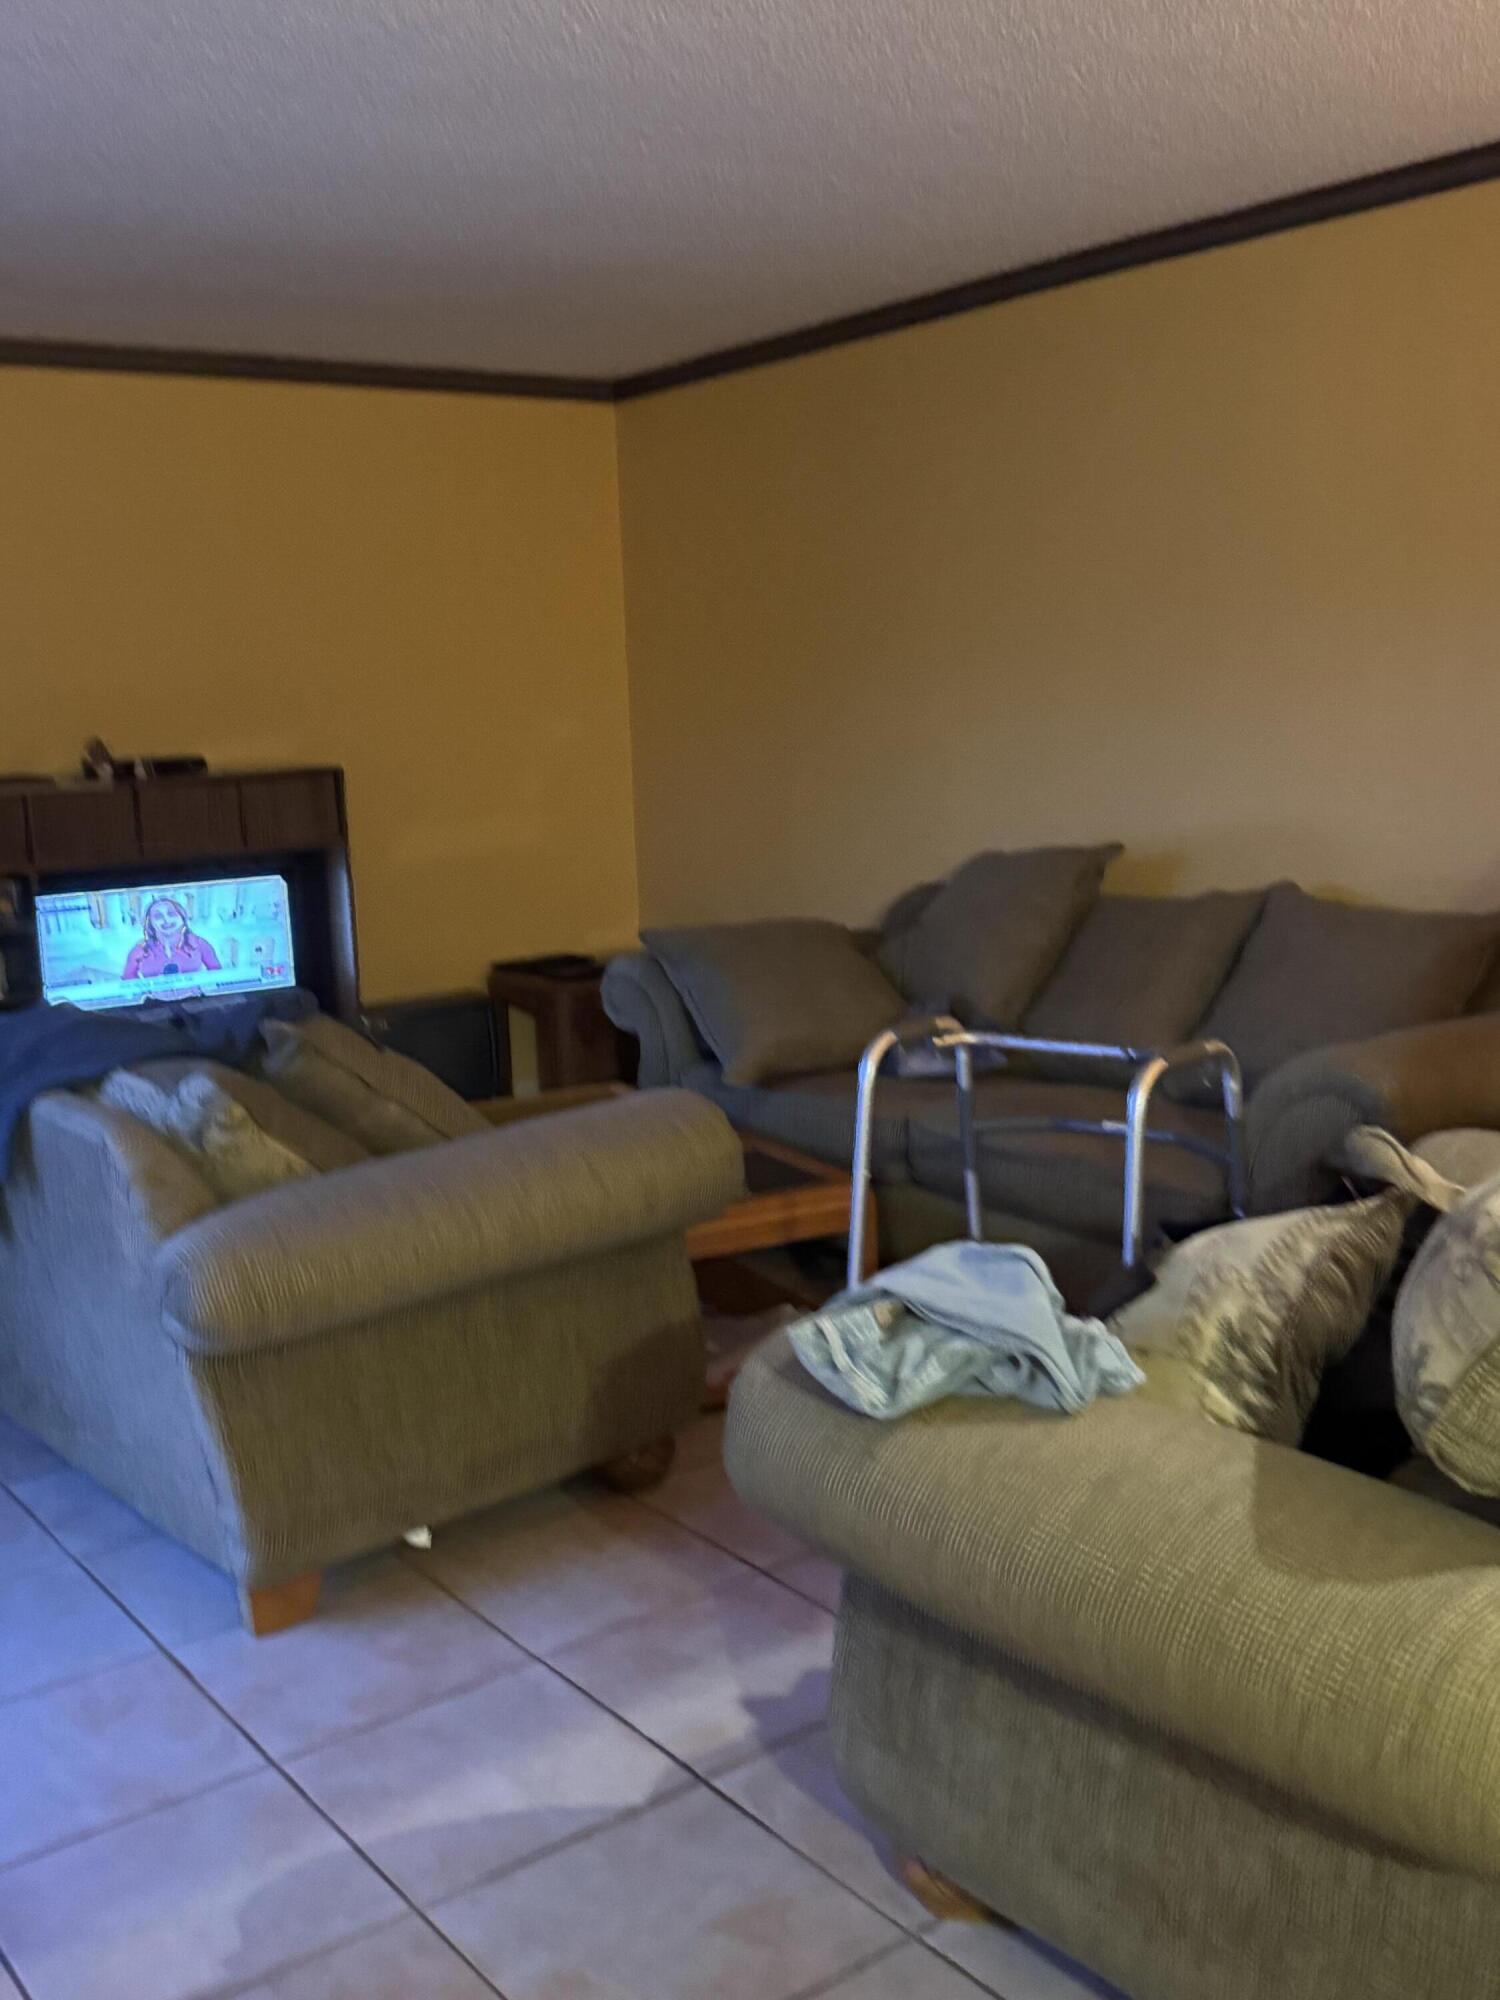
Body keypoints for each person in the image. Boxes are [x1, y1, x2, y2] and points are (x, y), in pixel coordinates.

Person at [122, 896, 222, 980]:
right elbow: (128, 979)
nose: (166, 920)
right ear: (150, 923)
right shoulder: (140, 949)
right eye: (158, 916)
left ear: (182, 918)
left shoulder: (199, 943)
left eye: (171, 914)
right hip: (154, 1002)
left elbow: (217, 973)